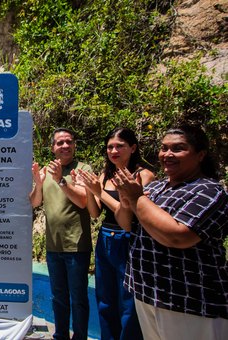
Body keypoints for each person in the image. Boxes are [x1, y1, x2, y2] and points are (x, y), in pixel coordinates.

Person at [113, 124, 228, 340]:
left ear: (200, 154)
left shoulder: (209, 191)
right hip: (147, 294)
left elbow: (177, 236)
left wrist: (137, 198)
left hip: (188, 302)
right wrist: (127, 200)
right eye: (164, 148)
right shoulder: (155, 188)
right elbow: (126, 224)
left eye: (178, 148)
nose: (167, 154)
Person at [76, 127, 154, 340]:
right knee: (105, 299)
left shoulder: (143, 176)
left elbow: (126, 217)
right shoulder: (104, 175)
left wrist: (98, 191)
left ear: (133, 148)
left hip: (130, 239)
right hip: (105, 237)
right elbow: (94, 213)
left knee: (129, 301)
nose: (114, 150)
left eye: (120, 146)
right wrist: (90, 191)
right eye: (110, 146)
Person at [29, 128, 92, 340]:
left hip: (76, 246)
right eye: (60, 143)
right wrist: (38, 184)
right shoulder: (46, 171)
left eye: (69, 142)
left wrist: (61, 181)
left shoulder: (83, 169)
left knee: (78, 298)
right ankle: (61, 336)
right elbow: (35, 202)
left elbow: (83, 201)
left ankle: (80, 337)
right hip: (53, 247)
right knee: (58, 297)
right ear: (53, 147)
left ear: (74, 145)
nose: (65, 146)